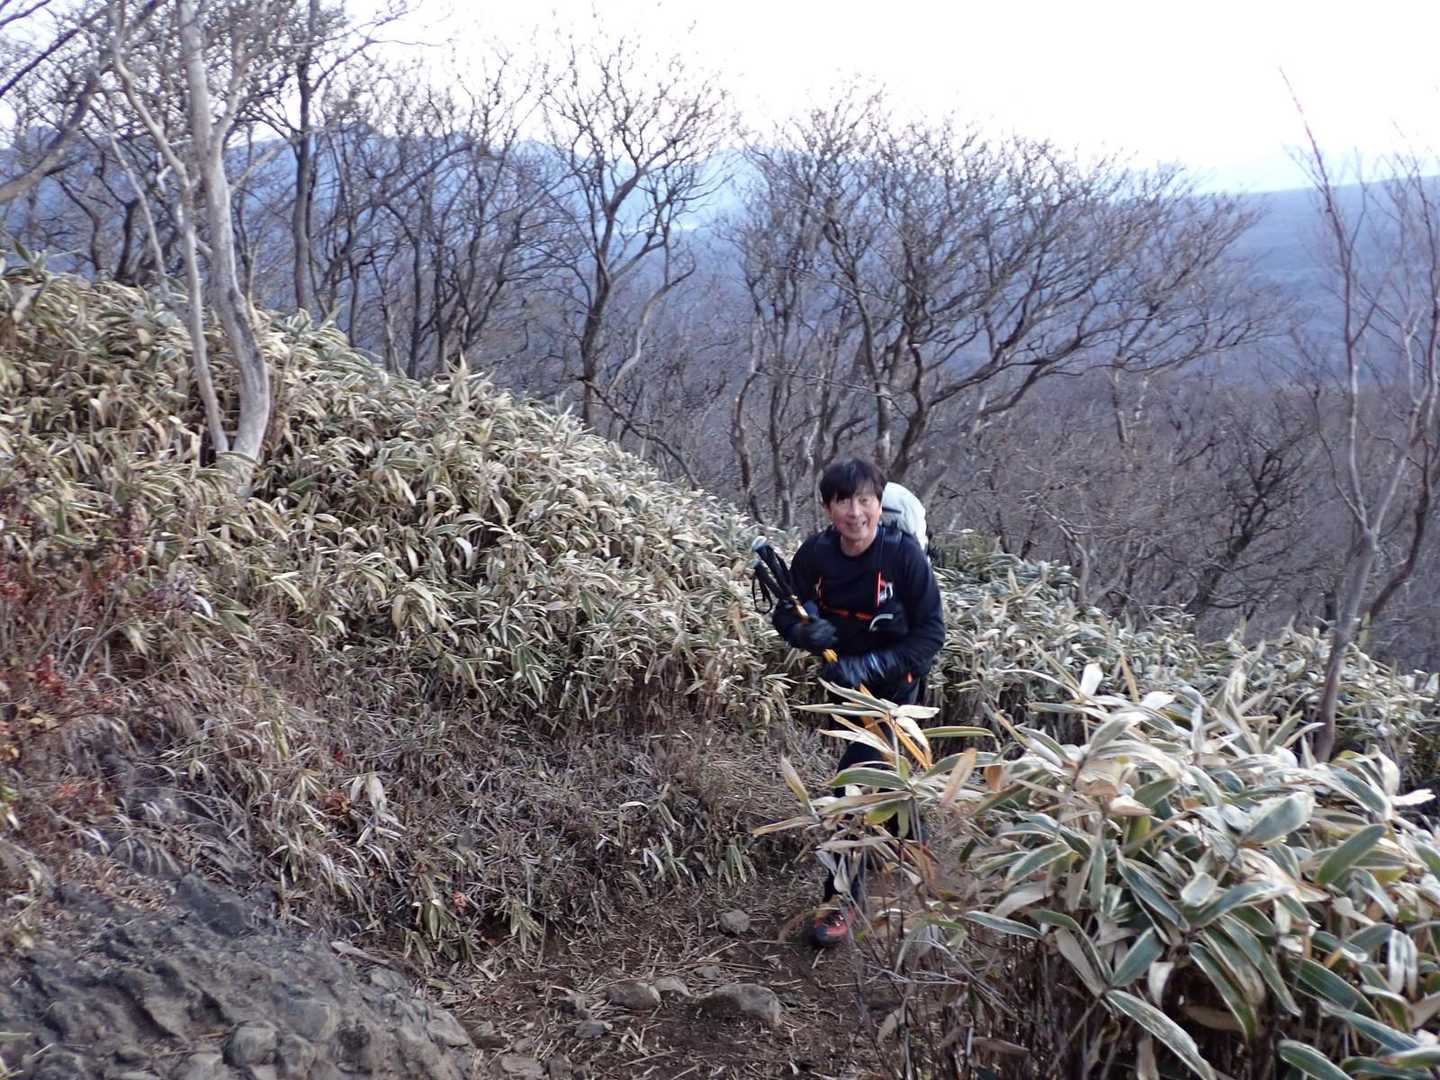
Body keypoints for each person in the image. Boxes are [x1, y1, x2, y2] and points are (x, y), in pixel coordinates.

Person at [772, 458, 946, 947]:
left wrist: (869, 665)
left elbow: (932, 633)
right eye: (843, 502)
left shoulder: (903, 556)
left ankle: (840, 900)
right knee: (884, 771)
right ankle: (912, 833)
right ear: (828, 508)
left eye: (865, 500)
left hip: (895, 689)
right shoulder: (816, 554)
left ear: (879, 503)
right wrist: (802, 632)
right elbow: (786, 608)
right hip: (843, 688)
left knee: (854, 784)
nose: (855, 512)